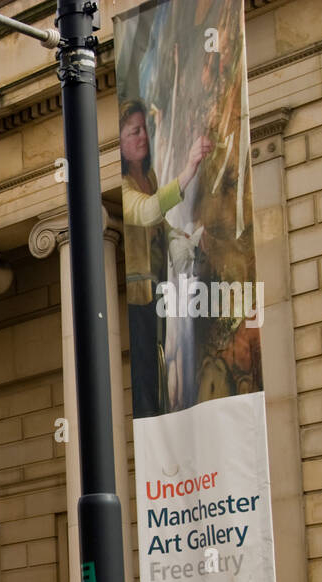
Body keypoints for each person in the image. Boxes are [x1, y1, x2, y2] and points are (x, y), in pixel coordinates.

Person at [119, 98, 211, 418]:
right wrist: (189, 170)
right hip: (139, 294)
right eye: (134, 131)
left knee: (159, 360)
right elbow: (147, 212)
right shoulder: (125, 186)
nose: (143, 136)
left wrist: (176, 236)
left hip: (158, 288)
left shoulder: (150, 177)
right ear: (118, 141)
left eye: (144, 128)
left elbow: (158, 222)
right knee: (146, 370)